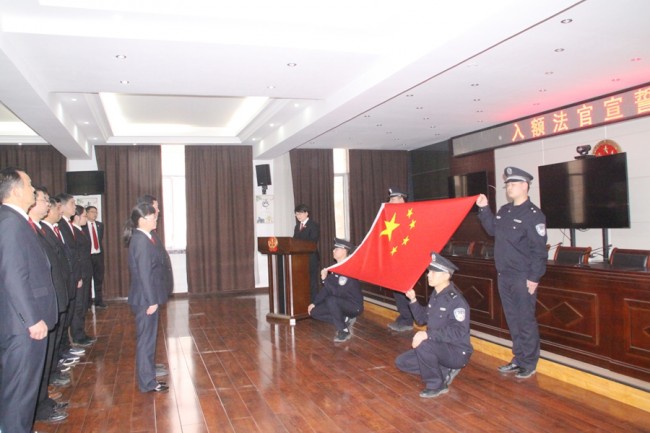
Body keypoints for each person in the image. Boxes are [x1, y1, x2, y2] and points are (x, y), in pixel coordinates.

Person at [0, 167, 58, 433]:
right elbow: (13, 276)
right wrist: (32, 320)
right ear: (15, 190)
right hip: (22, 327)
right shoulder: (10, 223)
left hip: (21, 324)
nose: (34, 189)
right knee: (20, 393)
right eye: (30, 185)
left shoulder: (15, 220)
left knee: (20, 392)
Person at [476, 166, 547, 379]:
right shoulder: (505, 211)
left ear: (525, 186)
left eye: (513, 184)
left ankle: (529, 363)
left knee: (525, 320)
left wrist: (534, 278)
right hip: (504, 274)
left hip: (522, 277)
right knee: (512, 319)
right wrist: (484, 208)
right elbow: (492, 230)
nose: (509, 187)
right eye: (507, 184)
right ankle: (518, 358)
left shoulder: (534, 215)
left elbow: (539, 251)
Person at [395, 251, 473, 398]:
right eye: (429, 272)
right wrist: (413, 300)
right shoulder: (436, 296)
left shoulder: (456, 301)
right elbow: (421, 319)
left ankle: (437, 385)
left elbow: (458, 331)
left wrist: (427, 334)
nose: (428, 275)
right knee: (402, 362)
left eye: (433, 272)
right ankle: (443, 369)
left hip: (456, 352)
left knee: (424, 345)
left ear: (446, 276)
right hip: (438, 346)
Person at [29, 187, 70, 423]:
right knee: (39, 362)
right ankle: (40, 407)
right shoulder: (27, 229)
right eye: (44, 200)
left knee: (47, 356)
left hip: (52, 300)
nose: (48, 204)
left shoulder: (39, 228)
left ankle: (44, 401)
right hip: (39, 307)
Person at [124, 202, 172, 392]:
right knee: (146, 341)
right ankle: (147, 382)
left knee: (148, 340)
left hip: (147, 297)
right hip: (145, 300)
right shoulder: (141, 241)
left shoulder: (145, 237)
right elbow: (144, 274)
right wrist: (152, 301)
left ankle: (149, 378)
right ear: (142, 220)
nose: (155, 220)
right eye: (152, 217)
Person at [308, 238, 363, 343]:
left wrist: (325, 279)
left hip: (353, 306)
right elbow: (326, 289)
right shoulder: (336, 268)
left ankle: (343, 330)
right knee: (314, 312)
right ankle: (345, 319)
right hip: (339, 302)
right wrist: (314, 303)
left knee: (331, 300)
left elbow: (338, 293)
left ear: (344, 251)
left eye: (336, 249)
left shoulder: (348, 269)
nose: (333, 251)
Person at [385, 187, 416, 332]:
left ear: (401, 199)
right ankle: (404, 316)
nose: (390, 202)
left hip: (406, 260)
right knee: (397, 290)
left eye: (393, 199)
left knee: (403, 290)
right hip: (395, 259)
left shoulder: (409, 215)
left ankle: (407, 319)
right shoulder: (392, 217)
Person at [70, 205, 95, 346]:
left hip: (86, 272)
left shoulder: (81, 230)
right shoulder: (73, 232)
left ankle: (82, 332)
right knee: (79, 306)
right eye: (85, 215)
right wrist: (78, 276)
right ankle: (78, 336)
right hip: (80, 274)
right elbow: (76, 256)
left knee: (84, 304)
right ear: (77, 217)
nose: (87, 218)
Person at [293, 203, 320, 302]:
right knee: (302, 280)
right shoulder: (297, 226)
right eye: (296, 214)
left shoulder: (313, 225)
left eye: (300, 213)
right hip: (300, 258)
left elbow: (312, 241)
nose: (298, 216)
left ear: (306, 213)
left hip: (311, 257)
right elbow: (294, 241)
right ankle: (304, 301)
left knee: (312, 281)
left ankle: (314, 302)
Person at [84, 205, 106, 308]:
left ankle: (99, 301)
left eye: (96, 212)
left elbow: (100, 239)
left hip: (98, 255)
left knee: (99, 279)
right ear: (87, 213)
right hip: (88, 256)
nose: (95, 214)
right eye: (92, 212)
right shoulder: (83, 226)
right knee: (88, 280)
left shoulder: (100, 225)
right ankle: (88, 302)